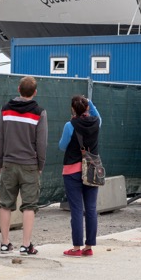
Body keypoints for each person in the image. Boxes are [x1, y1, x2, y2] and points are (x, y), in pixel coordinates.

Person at [0, 76, 48, 255]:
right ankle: (25, 245)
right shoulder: (39, 112)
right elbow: (41, 143)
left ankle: (4, 242)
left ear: (18, 89)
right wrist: (40, 164)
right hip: (30, 165)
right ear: (35, 92)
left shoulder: (5, 110)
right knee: (29, 205)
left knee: (5, 204)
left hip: (9, 163)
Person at [58, 95, 102, 257]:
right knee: (91, 208)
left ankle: (76, 247)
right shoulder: (96, 122)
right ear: (87, 108)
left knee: (76, 209)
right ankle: (89, 246)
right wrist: (89, 101)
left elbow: (62, 146)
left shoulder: (69, 125)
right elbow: (98, 115)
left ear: (72, 109)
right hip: (91, 169)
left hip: (72, 171)